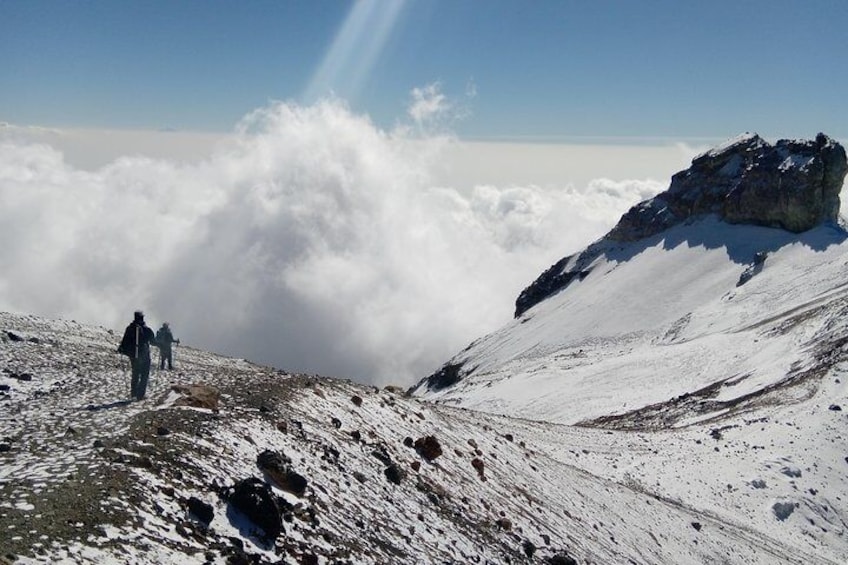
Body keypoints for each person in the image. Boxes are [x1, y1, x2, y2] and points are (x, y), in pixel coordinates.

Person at [118, 310, 158, 400]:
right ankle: (141, 395)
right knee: (144, 375)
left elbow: (124, 341)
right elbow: (153, 342)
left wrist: (122, 350)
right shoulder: (146, 329)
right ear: (142, 318)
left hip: (133, 356)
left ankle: (133, 394)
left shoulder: (129, 328)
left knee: (135, 374)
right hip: (144, 355)